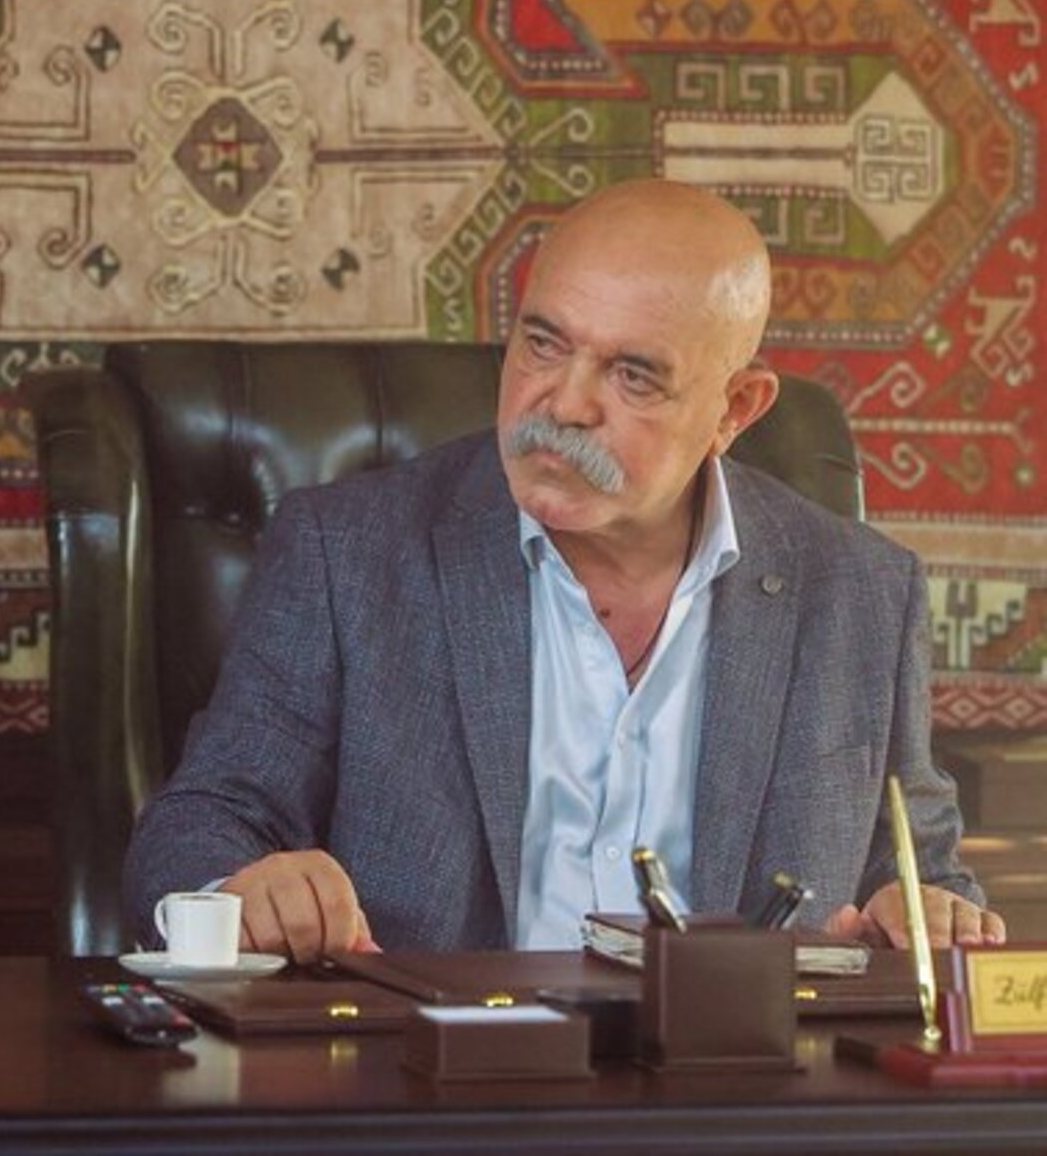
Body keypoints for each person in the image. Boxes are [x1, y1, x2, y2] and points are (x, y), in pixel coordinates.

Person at [123, 178, 1004, 964]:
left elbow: (916, 872)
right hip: (429, 1072)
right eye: (544, 344)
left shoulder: (863, 594)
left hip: (734, 1082)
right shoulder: (346, 552)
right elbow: (200, 825)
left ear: (735, 408)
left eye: (633, 376)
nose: (566, 405)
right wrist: (241, 888)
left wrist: (922, 914)